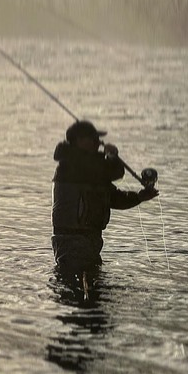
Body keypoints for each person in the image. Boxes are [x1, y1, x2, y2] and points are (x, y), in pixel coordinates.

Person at [51, 120, 158, 282]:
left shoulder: (92, 167)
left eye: (97, 138)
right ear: (79, 140)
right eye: (93, 138)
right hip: (72, 240)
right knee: (79, 286)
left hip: (91, 240)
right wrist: (113, 156)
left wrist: (139, 197)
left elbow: (113, 198)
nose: (98, 142)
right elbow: (112, 171)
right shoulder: (71, 164)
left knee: (91, 284)